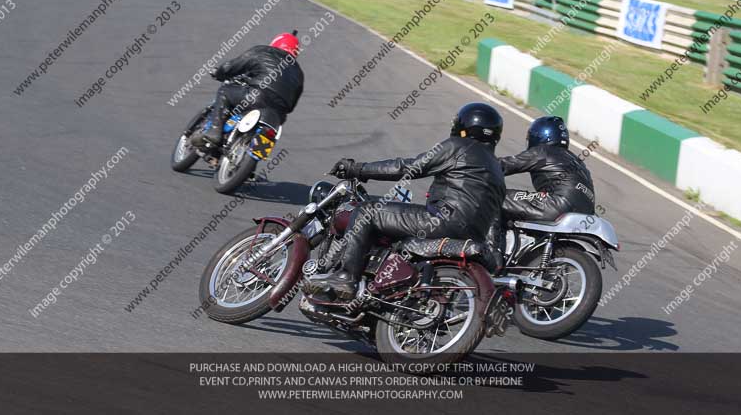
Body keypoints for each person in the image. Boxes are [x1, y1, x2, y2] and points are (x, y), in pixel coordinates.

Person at [307, 102, 507, 299]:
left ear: (464, 128)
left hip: (440, 223)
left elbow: (406, 168)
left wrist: (357, 169)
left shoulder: (459, 146)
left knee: (367, 211)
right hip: (470, 238)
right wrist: (493, 251)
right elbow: (495, 220)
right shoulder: (498, 171)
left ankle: (346, 277)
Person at [190, 32, 304, 148]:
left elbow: (233, 66)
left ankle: (214, 131)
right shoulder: (299, 73)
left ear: (275, 43)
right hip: (278, 114)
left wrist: (219, 73)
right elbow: (292, 105)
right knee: (266, 137)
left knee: (225, 91)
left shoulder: (263, 51)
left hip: (256, 96)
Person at [500, 116, 595, 226]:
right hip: (585, 216)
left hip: (557, 205)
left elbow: (505, 165)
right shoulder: (578, 162)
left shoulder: (542, 153)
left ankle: (489, 241)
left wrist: (480, 166)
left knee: (495, 196)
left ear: (538, 136)